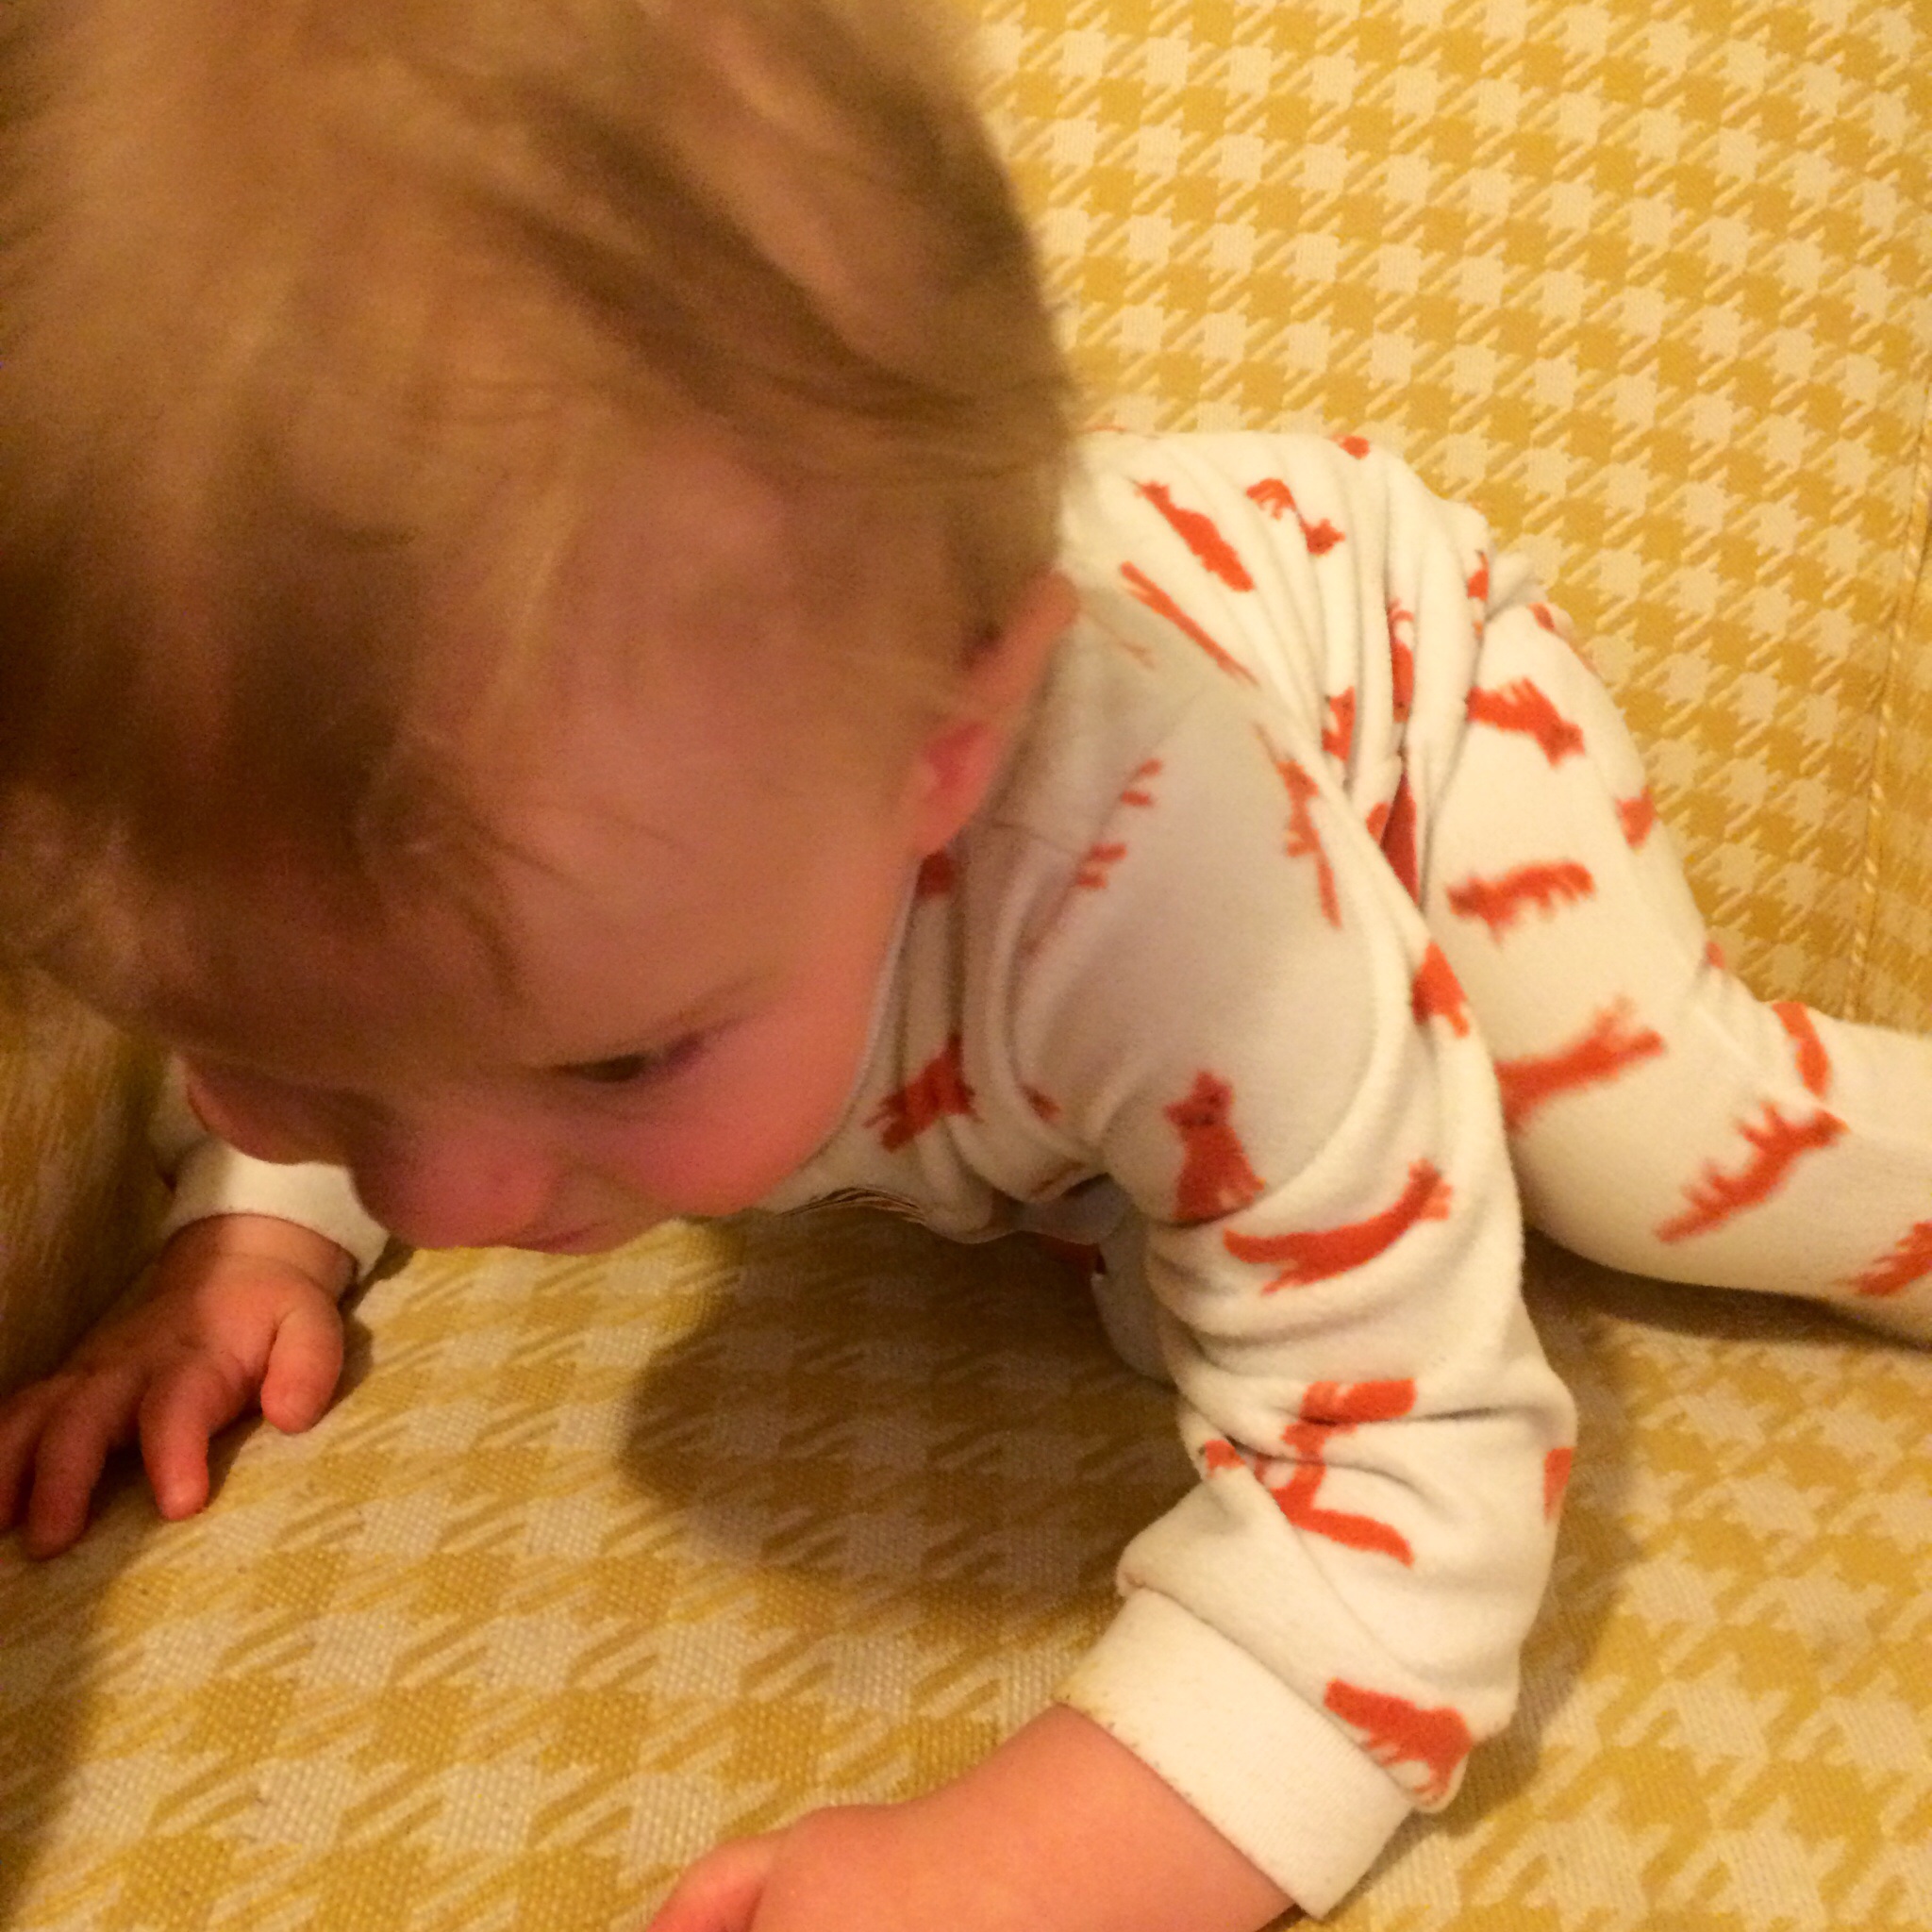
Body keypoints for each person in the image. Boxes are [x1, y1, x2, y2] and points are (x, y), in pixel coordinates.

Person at [0, 2, 1926, 1926]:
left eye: (618, 1058)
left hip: (1391, 706)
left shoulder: (1161, 865)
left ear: (946, 752)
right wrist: (258, 1217)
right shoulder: (580, 865)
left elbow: (1408, 1454)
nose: (441, 1199)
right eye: (269, 1047)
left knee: (1644, 1149)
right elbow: (361, 948)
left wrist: (1044, 1865)